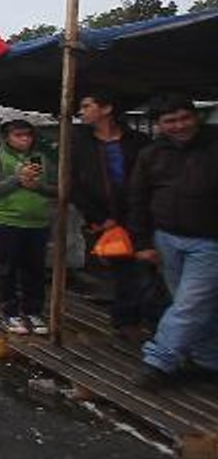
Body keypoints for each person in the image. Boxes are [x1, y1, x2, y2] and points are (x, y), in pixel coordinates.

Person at [129, 94, 218, 389]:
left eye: (184, 118)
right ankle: (208, 361)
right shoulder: (151, 154)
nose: (179, 126)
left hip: (209, 242)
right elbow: (139, 199)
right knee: (193, 305)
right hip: (166, 238)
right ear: (159, 125)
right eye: (170, 121)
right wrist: (142, 242)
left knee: (189, 305)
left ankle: (159, 361)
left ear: (196, 117)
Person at [72, 91, 162, 336]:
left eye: (87, 105)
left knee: (148, 271)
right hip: (105, 220)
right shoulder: (80, 144)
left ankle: (154, 323)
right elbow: (72, 185)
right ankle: (126, 322)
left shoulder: (138, 141)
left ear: (106, 108)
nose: (81, 112)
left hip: (141, 215)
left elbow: (153, 179)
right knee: (122, 272)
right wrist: (98, 218)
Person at [0, 119, 57, 335]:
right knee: (7, 270)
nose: (24, 139)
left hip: (38, 222)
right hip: (8, 222)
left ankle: (33, 311)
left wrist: (38, 186)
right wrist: (18, 179)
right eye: (18, 135)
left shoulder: (42, 158)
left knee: (35, 270)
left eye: (28, 135)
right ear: (7, 137)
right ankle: (10, 313)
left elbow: (56, 188)